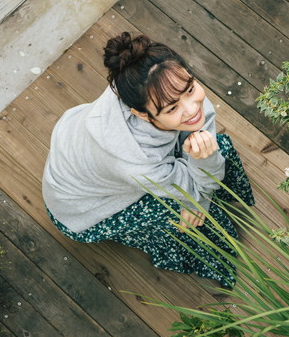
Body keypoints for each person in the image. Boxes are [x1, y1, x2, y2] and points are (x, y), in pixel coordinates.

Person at [42, 32, 254, 287]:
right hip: (82, 208)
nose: (192, 108)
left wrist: (201, 187)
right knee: (184, 214)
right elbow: (194, 190)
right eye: (172, 108)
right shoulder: (135, 162)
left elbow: (201, 123)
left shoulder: (152, 83)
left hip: (81, 156)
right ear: (142, 115)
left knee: (210, 153)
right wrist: (200, 196)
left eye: (190, 89)